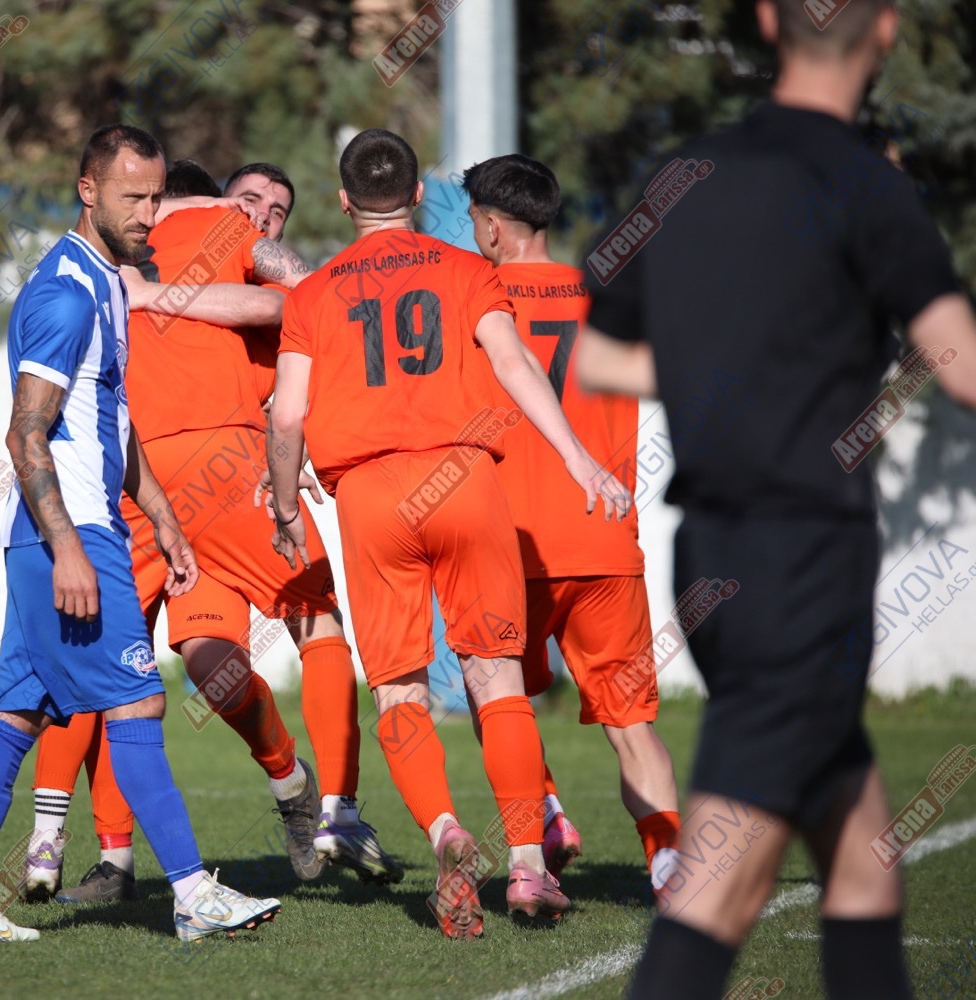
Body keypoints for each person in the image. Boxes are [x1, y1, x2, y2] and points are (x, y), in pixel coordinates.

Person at [574, 3, 976, 996]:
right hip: (800, 566)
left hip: (714, 559)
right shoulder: (864, 181)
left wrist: (724, 377)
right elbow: (958, 358)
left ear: (765, 20)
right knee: (721, 881)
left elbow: (596, 355)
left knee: (862, 857)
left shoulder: (683, 173)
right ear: (887, 30)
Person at [268, 128, 632, 938]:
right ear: (416, 197)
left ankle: (443, 832)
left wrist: (288, 506)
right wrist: (580, 460)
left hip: (370, 496)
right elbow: (516, 366)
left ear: (343, 201)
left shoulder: (313, 293)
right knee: (494, 677)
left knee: (399, 689)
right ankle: (529, 866)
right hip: (464, 479)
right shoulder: (468, 270)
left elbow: (287, 415)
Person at [0, 124, 281, 945]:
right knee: (139, 700)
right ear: (87, 191)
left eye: (155, 197)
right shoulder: (66, 295)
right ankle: (192, 894)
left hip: (68, 529)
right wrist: (70, 549)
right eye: (132, 197)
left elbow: (112, 422)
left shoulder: (111, 284)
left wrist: (164, 516)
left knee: (19, 710)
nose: (149, 213)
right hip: (69, 532)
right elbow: (25, 434)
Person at [24, 158, 398, 905]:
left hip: (179, 475)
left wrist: (294, 450)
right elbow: (312, 291)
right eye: (249, 201)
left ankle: (302, 800)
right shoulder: (208, 235)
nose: (261, 215)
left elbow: (296, 331)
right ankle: (321, 804)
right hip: (174, 477)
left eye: (277, 209)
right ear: (215, 203)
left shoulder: (136, 259)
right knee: (224, 646)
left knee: (190, 662)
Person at [463, 154, 682, 890]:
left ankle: (549, 809)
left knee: (494, 697)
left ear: (493, 227)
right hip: (603, 537)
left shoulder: (474, 299)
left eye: (473, 219)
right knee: (633, 728)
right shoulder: (606, 298)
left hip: (507, 542)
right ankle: (669, 867)